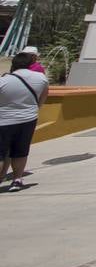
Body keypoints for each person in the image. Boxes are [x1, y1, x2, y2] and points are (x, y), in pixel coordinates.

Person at [1, 51, 50, 192]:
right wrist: (33, 110)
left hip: (4, 120)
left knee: (1, 152)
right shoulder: (40, 78)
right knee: (21, 151)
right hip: (28, 119)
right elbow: (43, 98)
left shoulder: (4, 80)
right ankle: (17, 179)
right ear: (31, 64)